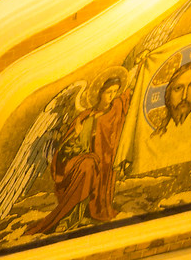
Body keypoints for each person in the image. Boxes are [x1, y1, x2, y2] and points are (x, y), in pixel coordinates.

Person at [34, 73, 130, 233]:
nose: (112, 96)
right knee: (88, 164)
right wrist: (76, 134)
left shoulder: (116, 110)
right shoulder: (85, 117)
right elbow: (65, 152)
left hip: (104, 163)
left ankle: (84, 212)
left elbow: (130, 96)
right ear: (99, 92)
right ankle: (70, 216)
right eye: (108, 92)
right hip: (80, 162)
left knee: (91, 164)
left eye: (115, 92)